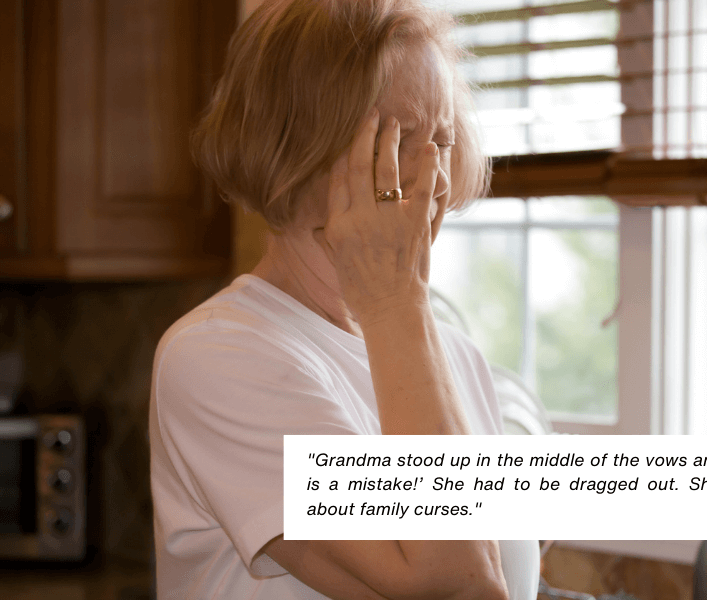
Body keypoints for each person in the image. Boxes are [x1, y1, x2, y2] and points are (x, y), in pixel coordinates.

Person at [149, 0, 541, 598]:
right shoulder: (216, 357)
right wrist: (394, 301)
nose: (435, 176)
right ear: (298, 150)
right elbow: (454, 586)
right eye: (401, 138)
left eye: (442, 139)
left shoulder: (453, 358)